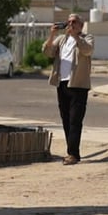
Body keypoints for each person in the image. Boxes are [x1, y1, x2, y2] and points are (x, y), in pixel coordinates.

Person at [42, 14, 94, 165]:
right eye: (69, 22)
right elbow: (47, 52)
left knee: (75, 120)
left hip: (78, 85)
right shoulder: (62, 40)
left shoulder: (86, 38)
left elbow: (87, 50)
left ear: (80, 25)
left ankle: (73, 154)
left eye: (74, 22)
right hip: (62, 84)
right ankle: (71, 151)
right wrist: (52, 35)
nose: (70, 24)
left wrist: (76, 36)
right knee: (66, 119)